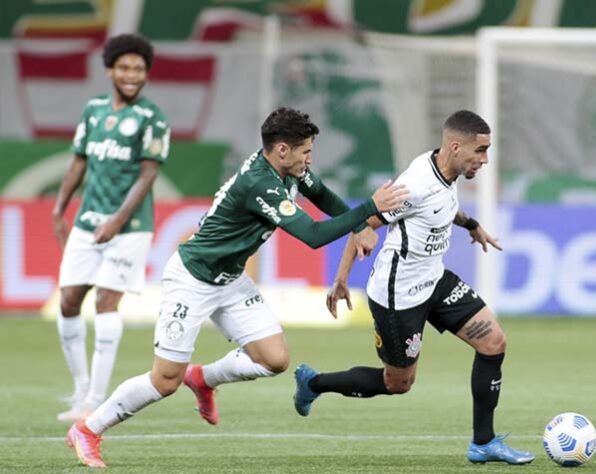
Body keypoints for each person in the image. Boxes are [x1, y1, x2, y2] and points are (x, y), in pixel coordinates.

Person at [65, 106, 408, 468]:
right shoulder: (261, 183)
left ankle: (203, 378)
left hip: (229, 279)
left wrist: (358, 225)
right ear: (281, 151)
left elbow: (323, 195)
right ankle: (88, 430)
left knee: (274, 359)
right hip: (192, 279)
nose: (310, 158)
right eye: (305, 151)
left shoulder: (292, 169)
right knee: (165, 381)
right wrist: (369, 208)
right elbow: (311, 235)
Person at [293, 110, 535, 465]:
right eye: (480, 151)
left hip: (434, 280)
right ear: (455, 146)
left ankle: (483, 443)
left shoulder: (445, 169)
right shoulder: (415, 185)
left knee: (493, 341)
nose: (484, 160)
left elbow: (444, 207)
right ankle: (314, 384)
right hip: (398, 297)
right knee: (398, 383)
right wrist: (341, 280)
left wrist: (472, 225)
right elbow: (364, 222)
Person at [53, 34, 170, 422]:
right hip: (88, 223)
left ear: (146, 73)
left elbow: (148, 175)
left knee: (106, 302)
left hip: (131, 228)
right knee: (69, 301)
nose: (132, 75)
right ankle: (80, 389)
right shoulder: (93, 111)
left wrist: (117, 221)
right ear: (110, 70)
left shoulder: (152, 118)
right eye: (124, 67)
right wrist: (58, 210)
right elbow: (78, 163)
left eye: (139, 68)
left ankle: (95, 401)